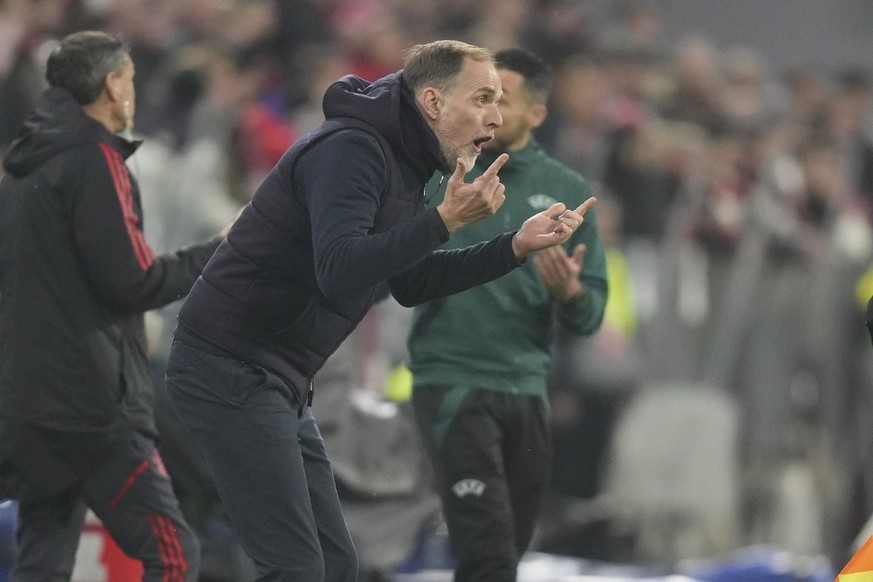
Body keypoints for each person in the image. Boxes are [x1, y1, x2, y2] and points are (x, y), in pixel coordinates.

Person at [163, 39, 595, 581]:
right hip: (229, 368)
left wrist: (512, 247)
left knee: (337, 564)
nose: (495, 115)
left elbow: (409, 282)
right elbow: (339, 268)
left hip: (278, 375)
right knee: (295, 567)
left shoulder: (407, 162)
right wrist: (444, 221)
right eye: (484, 97)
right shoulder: (354, 148)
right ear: (433, 102)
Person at [0, 31, 220, 580]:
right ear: (111, 86)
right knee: (173, 557)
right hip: (93, 412)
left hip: (28, 408)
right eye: (131, 81)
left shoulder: (19, 172)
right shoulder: (97, 159)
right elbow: (135, 282)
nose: (134, 94)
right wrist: (223, 252)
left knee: (41, 565)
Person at [406, 47, 609, 581]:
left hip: (527, 388)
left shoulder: (568, 192)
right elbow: (392, 276)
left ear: (536, 115)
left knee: (506, 557)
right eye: (482, 96)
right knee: (487, 554)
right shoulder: (437, 174)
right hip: (452, 381)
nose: (489, 111)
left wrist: (570, 294)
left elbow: (590, 318)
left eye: (503, 99)